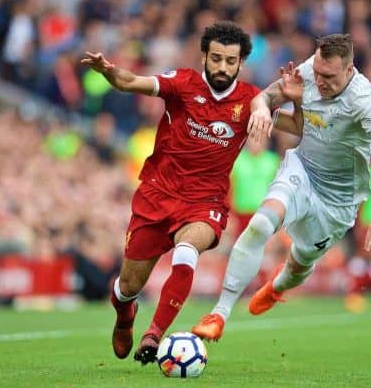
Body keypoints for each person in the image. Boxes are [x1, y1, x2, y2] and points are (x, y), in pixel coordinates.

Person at [192, 33, 371, 341]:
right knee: (259, 225)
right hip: (302, 169)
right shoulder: (308, 71)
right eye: (317, 71)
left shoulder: (364, 100)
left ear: (349, 71)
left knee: (300, 262)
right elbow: (264, 99)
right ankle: (219, 314)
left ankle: (278, 287)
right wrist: (266, 109)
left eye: (329, 76)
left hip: (338, 200)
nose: (318, 80)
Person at [81, 21, 260, 364]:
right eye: (217, 58)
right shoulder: (181, 83)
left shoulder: (251, 100)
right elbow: (130, 81)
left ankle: (154, 335)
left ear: (241, 63)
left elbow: (295, 124)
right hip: (157, 195)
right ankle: (125, 313)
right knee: (127, 287)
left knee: (187, 248)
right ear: (205, 56)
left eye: (231, 61)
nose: (223, 67)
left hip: (205, 201)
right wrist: (108, 71)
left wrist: (297, 101)